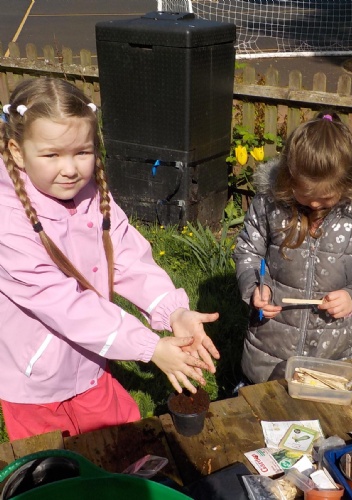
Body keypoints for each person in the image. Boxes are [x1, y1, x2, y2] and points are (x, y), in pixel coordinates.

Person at [0, 78, 220, 440]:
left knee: (127, 445)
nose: (70, 169)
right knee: (53, 467)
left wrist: (172, 311)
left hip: (91, 362)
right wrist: (149, 347)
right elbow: (63, 305)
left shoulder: (89, 194)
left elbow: (127, 258)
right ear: (18, 152)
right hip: (35, 382)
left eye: (82, 152)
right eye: (52, 155)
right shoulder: (9, 221)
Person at [233, 111, 352, 384]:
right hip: (271, 345)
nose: (313, 204)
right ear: (289, 179)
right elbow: (248, 251)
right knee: (262, 400)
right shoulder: (270, 202)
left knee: (322, 405)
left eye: (325, 199)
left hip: (335, 349)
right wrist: (255, 286)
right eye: (304, 195)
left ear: (347, 185)